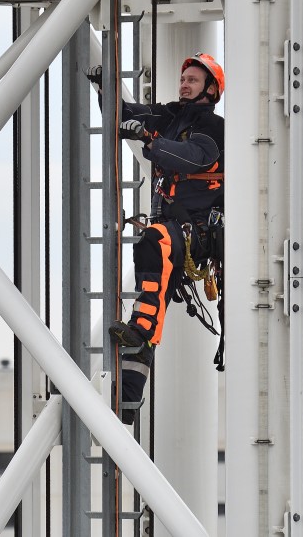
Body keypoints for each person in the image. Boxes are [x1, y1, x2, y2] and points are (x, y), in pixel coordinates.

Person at [107, 53, 225, 424]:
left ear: (210, 88)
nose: (184, 84)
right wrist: (103, 85)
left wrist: (151, 141)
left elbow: (195, 158)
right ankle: (127, 399)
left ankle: (140, 328)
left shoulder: (213, 127)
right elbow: (124, 112)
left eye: (192, 79)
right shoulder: (171, 117)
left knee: (154, 243)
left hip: (197, 235)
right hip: (174, 233)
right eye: (183, 78)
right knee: (152, 294)